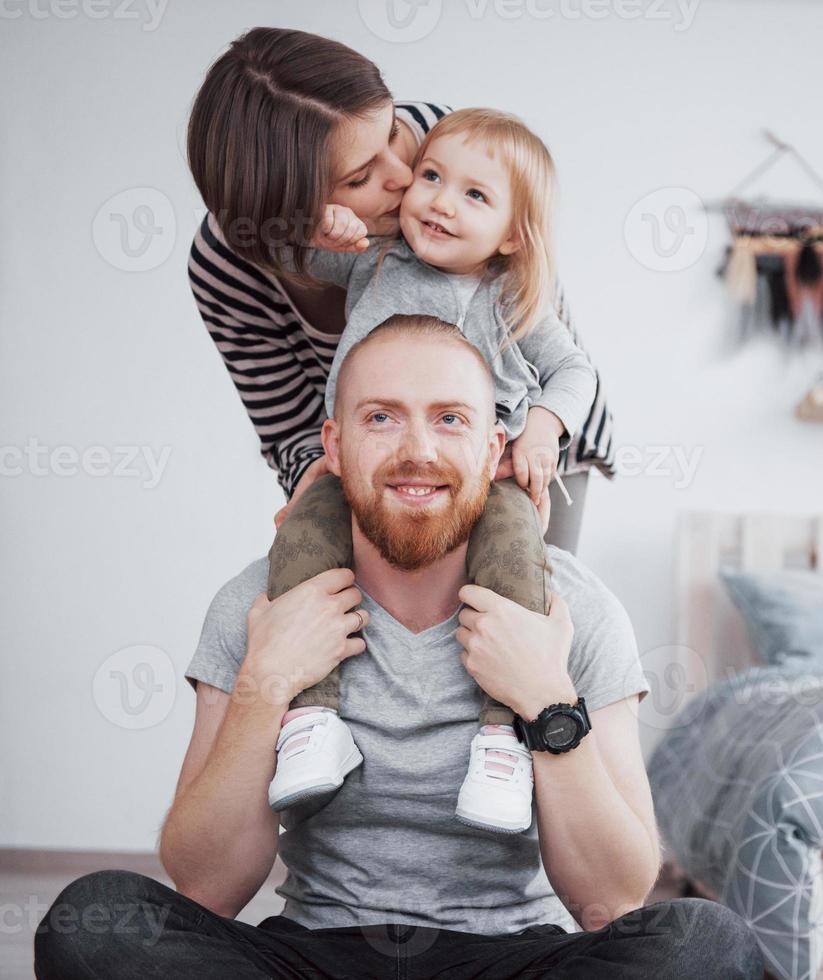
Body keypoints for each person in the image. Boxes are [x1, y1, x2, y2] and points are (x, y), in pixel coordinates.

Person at [35, 317, 763, 979]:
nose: (417, 451)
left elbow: (612, 899)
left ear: (492, 448)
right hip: (313, 956)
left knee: (707, 945)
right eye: (382, 418)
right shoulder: (259, 606)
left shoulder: (575, 611)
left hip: (513, 961)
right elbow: (207, 888)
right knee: (93, 921)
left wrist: (546, 699)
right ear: (335, 444)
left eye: (449, 419)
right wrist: (266, 683)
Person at [265, 108, 598, 834]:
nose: (442, 201)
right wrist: (321, 223)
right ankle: (312, 719)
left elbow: (573, 369)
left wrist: (543, 426)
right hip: (364, 470)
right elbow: (293, 253)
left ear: (512, 233)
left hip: (489, 477)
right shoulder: (375, 260)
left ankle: (503, 737)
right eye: (432, 178)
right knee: (301, 541)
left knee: (515, 560)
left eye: (475, 195)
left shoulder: (508, 295)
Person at [186, 27, 614, 549]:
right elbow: (289, 427)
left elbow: (549, 347)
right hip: (382, 475)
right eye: (360, 178)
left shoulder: (450, 149)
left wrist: (536, 437)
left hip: (520, 452)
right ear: (291, 208)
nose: (406, 178)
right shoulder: (231, 264)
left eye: (390, 133)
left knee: (523, 589)